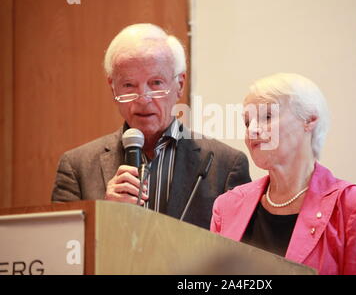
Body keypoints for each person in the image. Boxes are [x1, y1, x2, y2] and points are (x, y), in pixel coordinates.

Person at [52, 23, 251, 230]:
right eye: (129, 85)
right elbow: (63, 248)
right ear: (113, 87)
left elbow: (241, 256)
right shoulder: (77, 167)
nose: (143, 98)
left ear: (179, 84)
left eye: (156, 83)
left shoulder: (226, 166)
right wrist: (104, 215)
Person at [210, 73, 356, 274]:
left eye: (266, 117)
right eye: (247, 122)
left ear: (309, 120)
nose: (252, 130)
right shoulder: (227, 206)